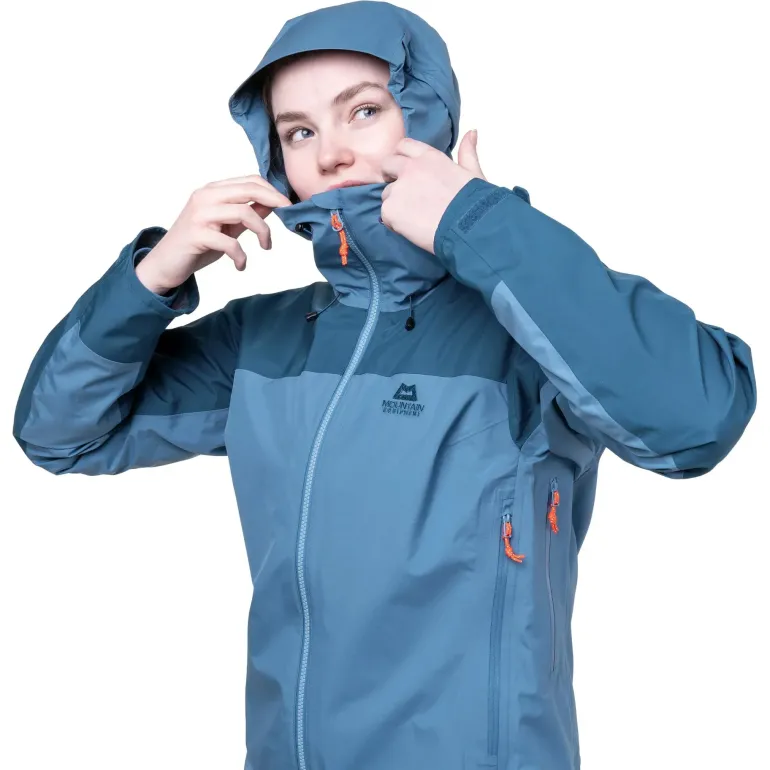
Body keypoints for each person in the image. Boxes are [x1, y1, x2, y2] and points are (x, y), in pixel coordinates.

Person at [12, 2, 757, 769]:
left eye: (363, 111)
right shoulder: (261, 342)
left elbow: (699, 419)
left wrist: (481, 224)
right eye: (299, 132)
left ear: (426, 115)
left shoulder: (527, 318)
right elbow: (61, 433)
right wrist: (151, 277)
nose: (332, 153)